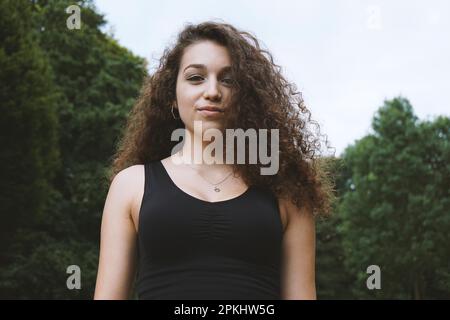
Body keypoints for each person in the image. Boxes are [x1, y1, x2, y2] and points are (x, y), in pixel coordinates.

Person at [94, 21, 335, 300]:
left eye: (228, 80)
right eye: (196, 77)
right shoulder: (131, 185)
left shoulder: (288, 192)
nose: (212, 91)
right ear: (172, 96)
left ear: (247, 97)